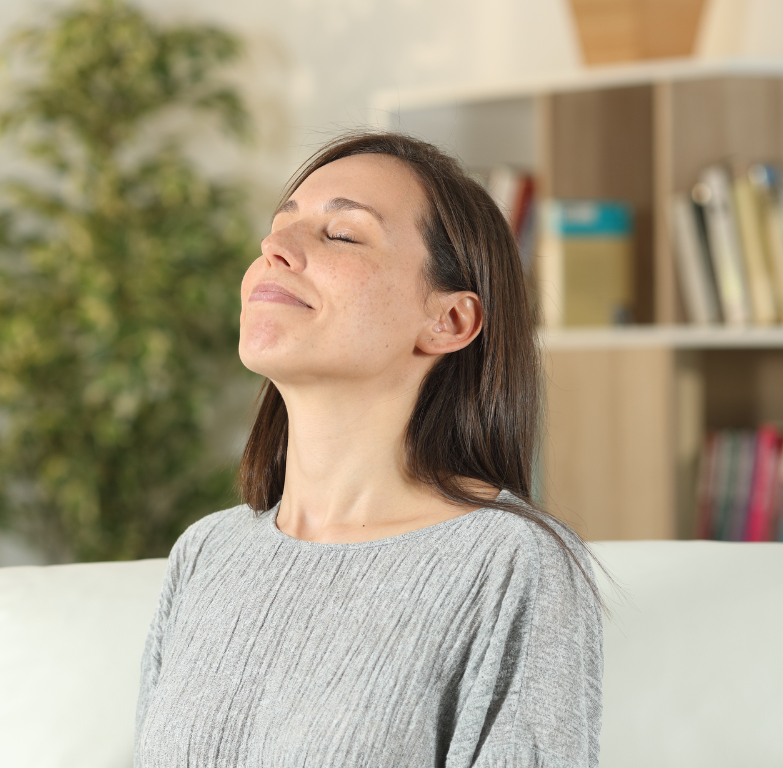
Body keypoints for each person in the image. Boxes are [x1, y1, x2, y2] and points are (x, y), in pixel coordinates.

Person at [133, 132, 602, 768]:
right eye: (279, 226)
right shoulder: (208, 553)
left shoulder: (511, 565)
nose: (276, 249)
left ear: (450, 321)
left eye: (342, 234)